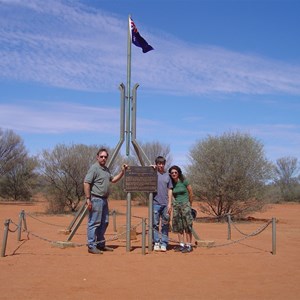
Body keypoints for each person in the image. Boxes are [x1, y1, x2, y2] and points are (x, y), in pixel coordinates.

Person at [84, 148, 127, 254]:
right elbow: (86, 182)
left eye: (105, 157)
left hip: (104, 200)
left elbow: (113, 180)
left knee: (105, 222)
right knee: (94, 223)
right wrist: (88, 199)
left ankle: (100, 244)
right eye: (101, 156)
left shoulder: (106, 169)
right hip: (96, 199)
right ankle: (91, 245)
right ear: (97, 157)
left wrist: (122, 172)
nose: (103, 158)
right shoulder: (94, 168)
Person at [169, 165, 194, 253]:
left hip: (185, 205)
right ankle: (181, 244)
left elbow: (191, 192)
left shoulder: (184, 181)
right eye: (172, 173)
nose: (174, 174)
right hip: (177, 206)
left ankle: (189, 245)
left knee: (187, 225)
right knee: (179, 225)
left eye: (175, 172)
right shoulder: (171, 183)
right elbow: (171, 194)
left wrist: (189, 204)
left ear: (179, 173)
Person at [152, 156, 173, 252]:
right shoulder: (153, 174)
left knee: (165, 224)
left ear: (164, 164)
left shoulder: (167, 176)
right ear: (156, 164)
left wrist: (169, 203)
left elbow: (170, 189)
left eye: (162, 163)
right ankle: (156, 242)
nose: (161, 165)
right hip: (155, 203)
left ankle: (164, 243)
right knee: (155, 224)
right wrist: (150, 168)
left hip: (165, 204)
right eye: (159, 163)